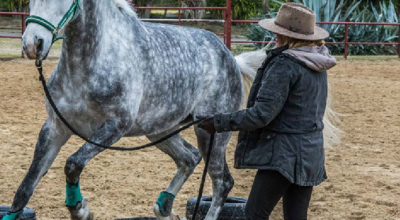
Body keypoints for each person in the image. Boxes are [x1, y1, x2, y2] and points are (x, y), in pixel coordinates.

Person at [198, 3, 337, 220]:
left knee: (255, 214)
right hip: (311, 153)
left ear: (284, 34)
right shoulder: (316, 63)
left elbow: (261, 115)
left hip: (282, 154)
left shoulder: (284, 64)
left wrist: (218, 122)